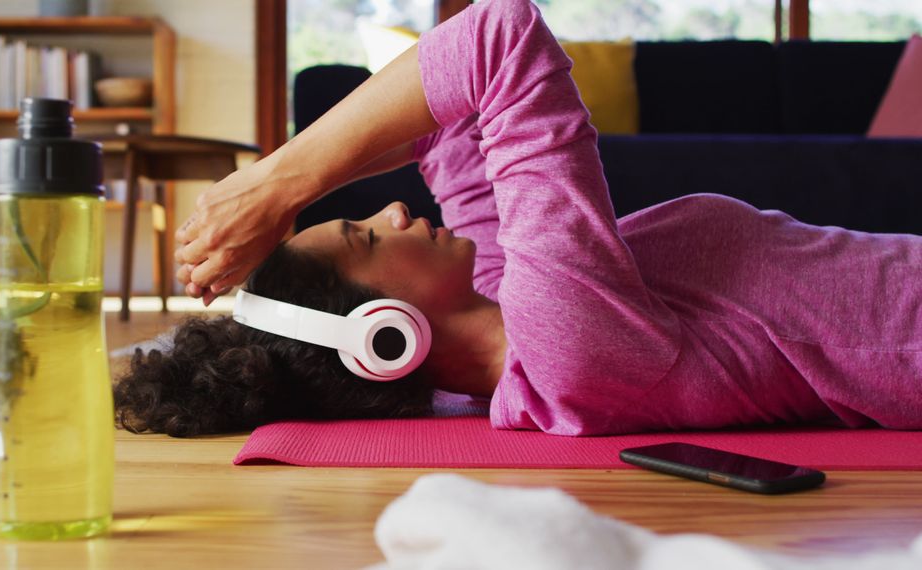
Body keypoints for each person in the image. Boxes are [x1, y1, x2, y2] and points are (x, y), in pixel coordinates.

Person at [114, 0, 922, 438]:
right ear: (384, 337)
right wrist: (280, 180)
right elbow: (502, 37)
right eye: (366, 236)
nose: (398, 210)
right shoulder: (564, 340)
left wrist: (281, 196)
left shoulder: (507, 301)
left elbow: (445, 121)